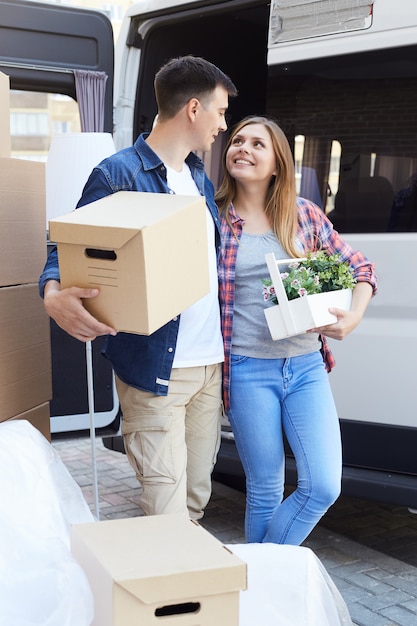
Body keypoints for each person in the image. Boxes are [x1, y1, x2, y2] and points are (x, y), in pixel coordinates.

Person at [39, 56, 237, 520]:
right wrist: (52, 293)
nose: (222, 124)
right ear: (193, 108)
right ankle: (168, 586)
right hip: (154, 369)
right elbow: (64, 246)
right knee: (166, 509)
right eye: (221, 111)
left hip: (208, 364)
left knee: (193, 500)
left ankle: (180, 584)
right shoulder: (118, 174)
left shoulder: (198, 177)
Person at [216, 116, 377, 545]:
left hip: (305, 366)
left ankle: (259, 576)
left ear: (277, 164)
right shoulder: (214, 219)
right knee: (265, 489)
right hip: (247, 370)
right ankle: (264, 599)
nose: (243, 149)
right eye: (237, 141)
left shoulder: (303, 215)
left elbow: (361, 269)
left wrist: (353, 315)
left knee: (323, 486)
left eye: (257, 144)